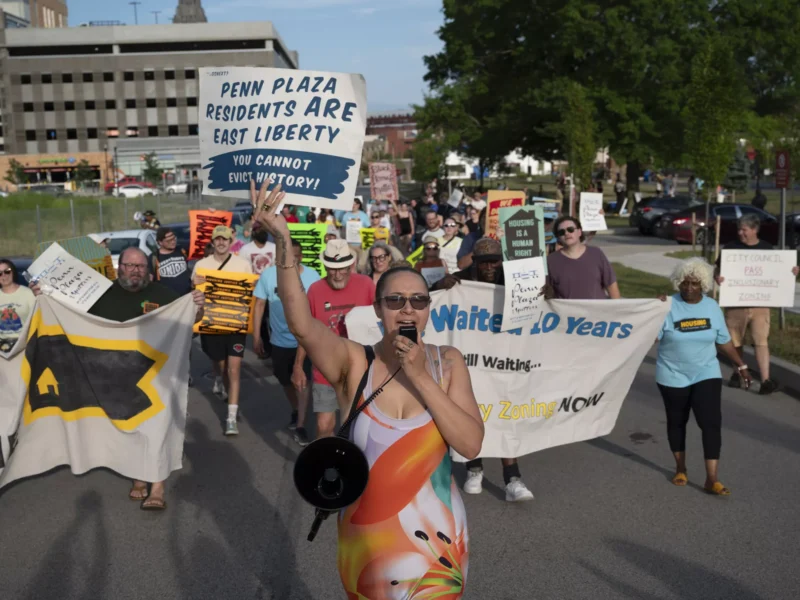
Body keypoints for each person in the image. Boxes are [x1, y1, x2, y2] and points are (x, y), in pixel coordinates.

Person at [252, 179, 482, 599]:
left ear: (429, 309)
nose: (408, 309)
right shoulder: (354, 361)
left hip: (439, 543)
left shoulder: (447, 363)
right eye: (395, 301)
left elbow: (469, 445)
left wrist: (420, 377)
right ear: (378, 309)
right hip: (367, 544)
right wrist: (283, 240)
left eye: (418, 300)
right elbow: (302, 325)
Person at [31, 247, 204, 510]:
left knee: (157, 427)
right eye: (129, 265)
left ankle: (157, 486)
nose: (135, 270)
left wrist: (198, 308)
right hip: (114, 376)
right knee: (129, 426)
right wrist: (44, 296)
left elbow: (188, 320)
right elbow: (66, 309)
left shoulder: (164, 294)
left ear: (148, 268)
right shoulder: (100, 293)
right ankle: (138, 477)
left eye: (140, 266)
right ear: (119, 266)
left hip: (159, 376)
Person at [432, 237, 535, 502]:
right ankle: (474, 468)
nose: (489, 267)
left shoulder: (514, 282)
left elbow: (539, 309)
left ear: (501, 261)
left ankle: (513, 478)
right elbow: (430, 298)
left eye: (494, 261)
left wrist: (545, 292)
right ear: (474, 262)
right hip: (471, 360)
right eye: (482, 262)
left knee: (505, 411)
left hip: (504, 359)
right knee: (471, 409)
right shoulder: (459, 281)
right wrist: (438, 285)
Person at [656, 258, 753, 495]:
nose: (689, 288)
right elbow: (647, 334)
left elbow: (723, 341)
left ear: (704, 284)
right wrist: (653, 309)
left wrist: (740, 365)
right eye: (685, 283)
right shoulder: (666, 306)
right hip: (672, 373)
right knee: (677, 421)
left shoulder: (711, 307)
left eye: (695, 283)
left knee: (710, 423)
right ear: (678, 282)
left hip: (705, 372)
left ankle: (712, 478)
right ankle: (681, 468)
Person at [292, 238, 376, 438]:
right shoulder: (315, 290)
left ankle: (351, 466)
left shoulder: (366, 284)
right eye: (332, 269)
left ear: (350, 265)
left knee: (359, 428)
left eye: (342, 268)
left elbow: (380, 321)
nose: (337, 274)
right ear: (325, 266)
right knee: (324, 426)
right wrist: (298, 366)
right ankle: (324, 463)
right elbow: (307, 332)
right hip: (325, 368)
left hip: (361, 368)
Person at [714, 214, 800, 394]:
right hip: (736, 303)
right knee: (736, 341)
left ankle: (766, 380)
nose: (740, 233)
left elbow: (778, 273)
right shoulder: (731, 249)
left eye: (744, 230)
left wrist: (792, 271)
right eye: (739, 229)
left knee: (761, 341)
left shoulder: (767, 249)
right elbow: (718, 269)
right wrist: (718, 277)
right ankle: (738, 374)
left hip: (760, 305)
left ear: (754, 230)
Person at [253, 238, 320, 447]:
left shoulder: (312, 276)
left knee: (302, 381)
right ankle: (296, 409)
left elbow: (318, 307)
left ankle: (300, 424)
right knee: (285, 380)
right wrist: (256, 336)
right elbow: (259, 304)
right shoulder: (269, 275)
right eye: (291, 255)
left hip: (305, 341)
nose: (295, 258)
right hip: (279, 341)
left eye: (298, 255)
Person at [191, 225, 253, 436]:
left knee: (234, 369)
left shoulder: (243, 264)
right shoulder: (201, 265)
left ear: (230, 241)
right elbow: (195, 294)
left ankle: (231, 418)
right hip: (212, 323)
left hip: (235, 325)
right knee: (221, 364)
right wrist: (196, 285)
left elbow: (249, 293)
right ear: (213, 241)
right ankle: (219, 378)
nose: (221, 242)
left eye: (224, 239)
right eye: (217, 239)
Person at [546, 216, 621, 299]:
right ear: (558, 237)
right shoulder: (550, 261)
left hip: (598, 311)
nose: (566, 233)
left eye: (570, 229)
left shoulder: (596, 253)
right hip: (567, 311)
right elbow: (546, 292)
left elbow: (611, 285)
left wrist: (617, 309)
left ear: (579, 232)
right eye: (561, 232)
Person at [0, 259, 36, 354]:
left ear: (13, 272)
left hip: (24, 347)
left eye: (7, 271)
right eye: (0, 273)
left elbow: (36, 320)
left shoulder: (28, 294)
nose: (4, 275)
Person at [152, 228, 192, 296]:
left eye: (174, 238)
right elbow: (149, 281)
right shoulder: (154, 258)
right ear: (160, 242)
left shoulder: (182, 250)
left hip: (187, 297)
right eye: (169, 241)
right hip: (167, 300)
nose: (173, 242)